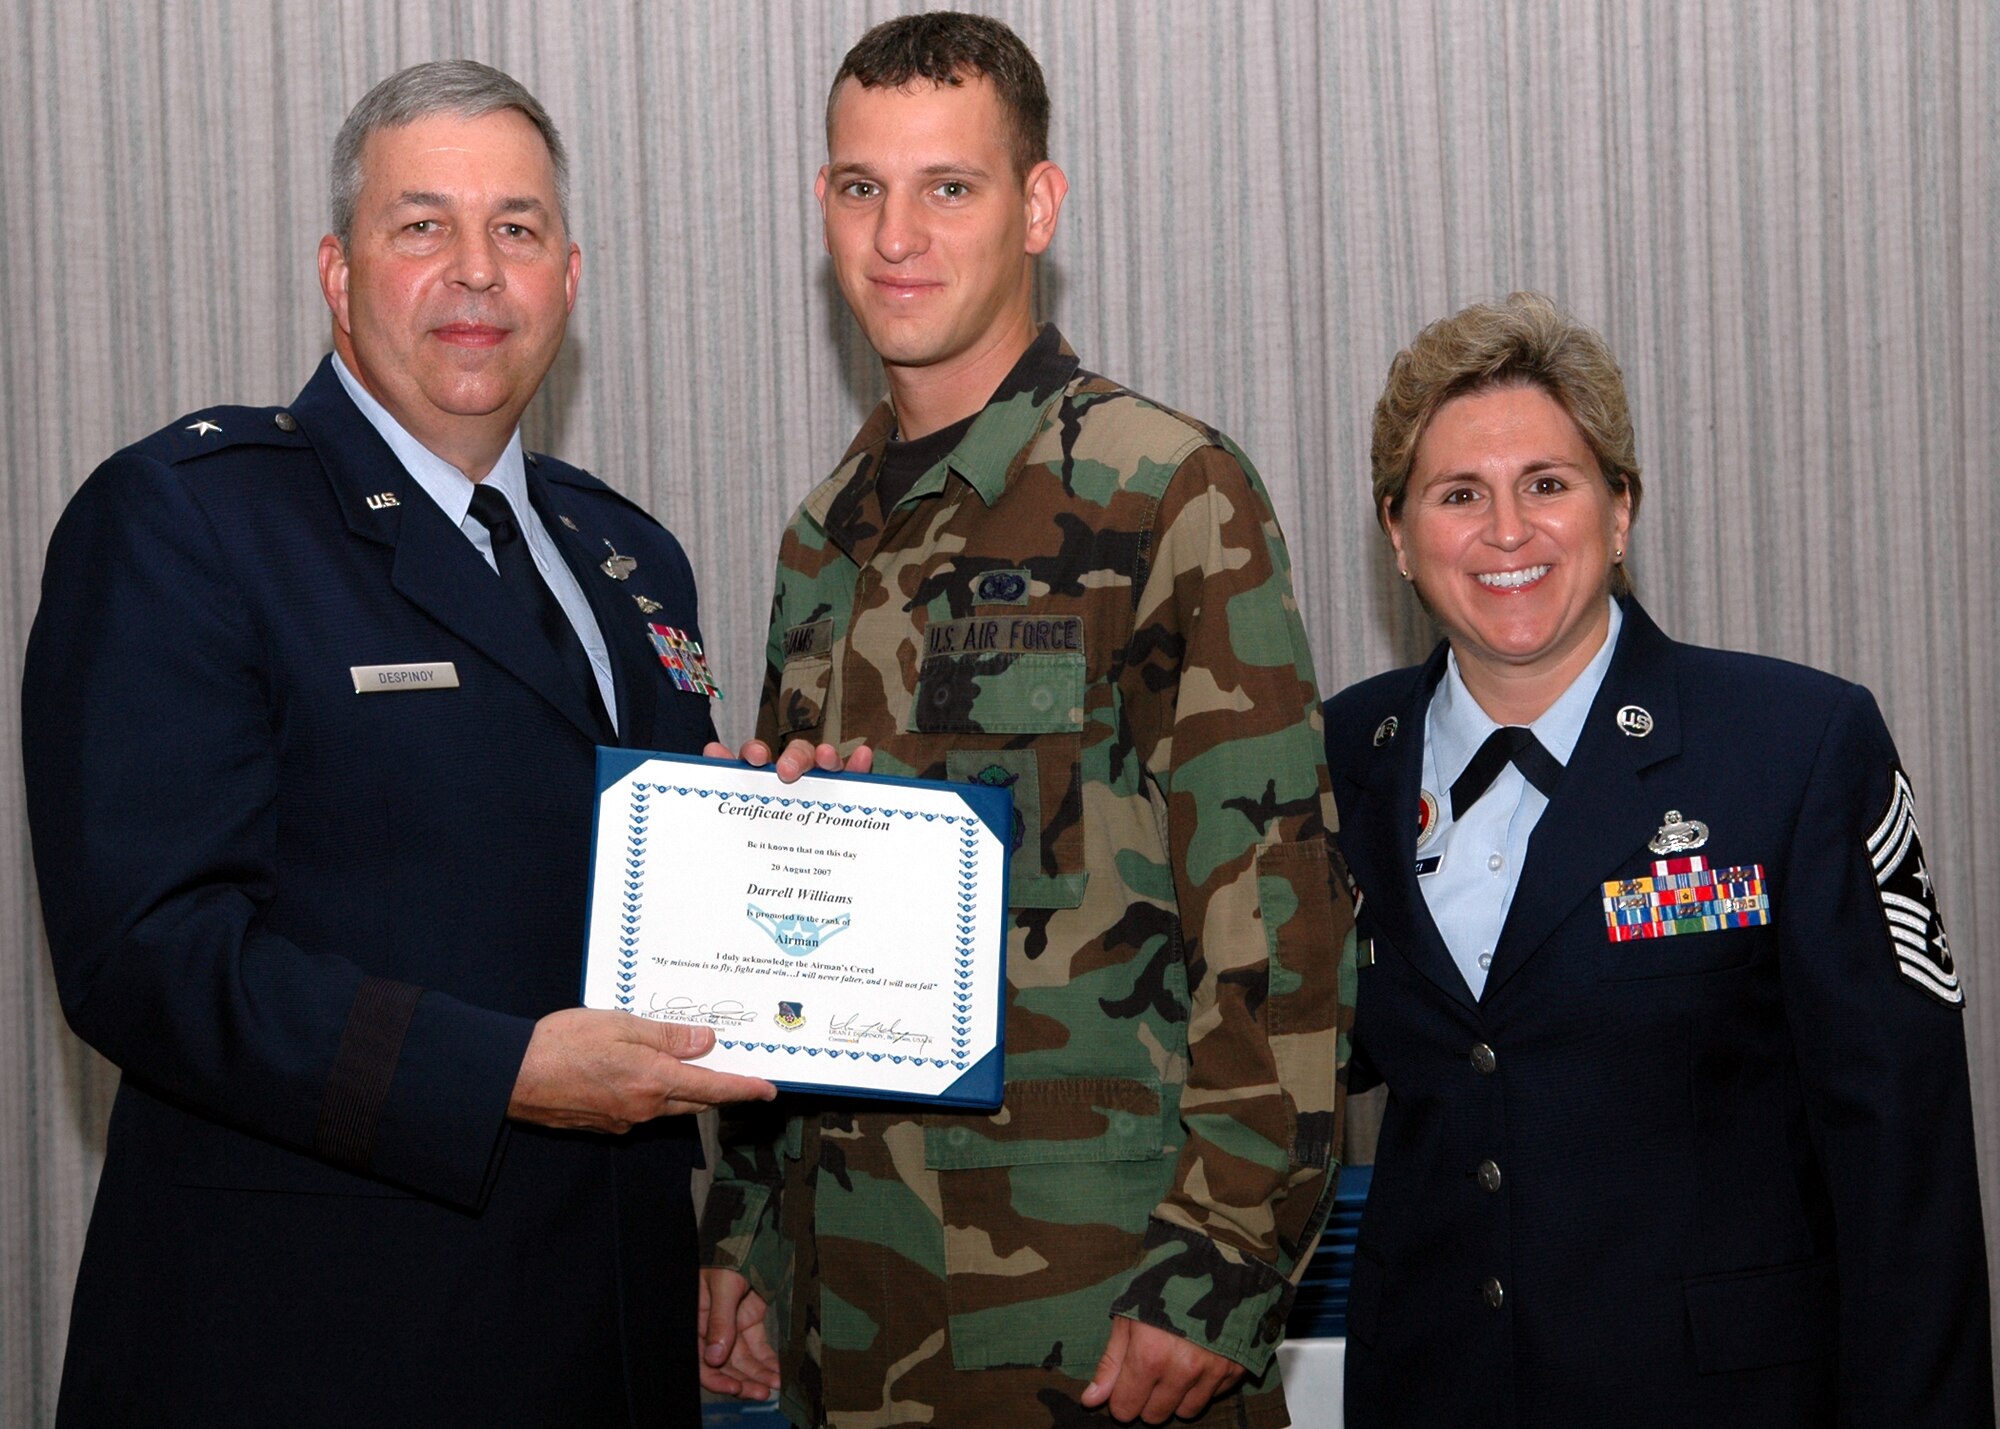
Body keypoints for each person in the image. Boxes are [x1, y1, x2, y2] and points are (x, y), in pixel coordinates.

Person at [21, 59, 774, 1427]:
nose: (477, 271)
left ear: (571, 274)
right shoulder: (187, 520)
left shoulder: (627, 555)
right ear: (337, 267)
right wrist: (502, 1076)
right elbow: (147, 955)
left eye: (518, 228)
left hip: (604, 1335)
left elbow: (664, 908)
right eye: (422, 225)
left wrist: (793, 838)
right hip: (315, 1343)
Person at [696, 13, 1352, 1428]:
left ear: (1038, 205)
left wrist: (1225, 1267)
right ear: (825, 207)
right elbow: (788, 915)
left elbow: (1279, 910)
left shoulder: (1163, 492)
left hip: (1099, 1313)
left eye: (951, 185)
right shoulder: (823, 539)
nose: (898, 235)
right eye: (862, 187)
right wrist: (749, 1230)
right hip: (857, 1308)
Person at [1322, 291, 1991, 1426]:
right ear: (1396, 531)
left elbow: (1902, 1166)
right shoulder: (1338, 755)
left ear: (1619, 507)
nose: (1505, 531)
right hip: (1428, 1391)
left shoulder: (1792, 745)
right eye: (1456, 494)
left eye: (1547, 482)